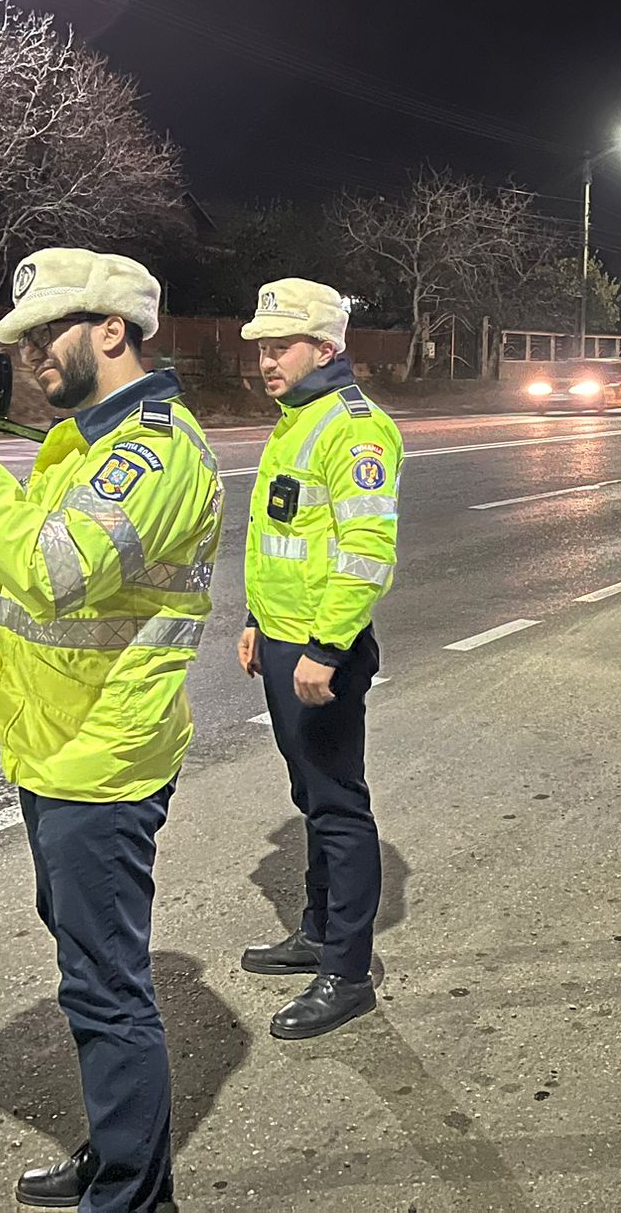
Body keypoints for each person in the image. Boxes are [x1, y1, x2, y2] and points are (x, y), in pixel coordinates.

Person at [0, 248, 221, 1213]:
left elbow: (48, 568)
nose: (30, 355)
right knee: (86, 980)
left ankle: (133, 1195)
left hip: (103, 758)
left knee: (107, 992)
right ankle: (117, 1150)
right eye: (22, 340)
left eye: (46, 334)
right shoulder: (80, 444)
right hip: (55, 743)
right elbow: (1, 570)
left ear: (111, 330)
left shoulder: (153, 451)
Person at [235, 278, 404, 1039]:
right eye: (263, 348)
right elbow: (289, 540)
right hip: (282, 641)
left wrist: (326, 649)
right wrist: (253, 622)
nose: (266, 360)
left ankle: (346, 971)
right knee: (311, 796)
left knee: (338, 805)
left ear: (326, 348)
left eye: (281, 347)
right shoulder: (296, 418)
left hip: (319, 654)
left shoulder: (353, 429)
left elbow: (367, 551)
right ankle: (315, 930)